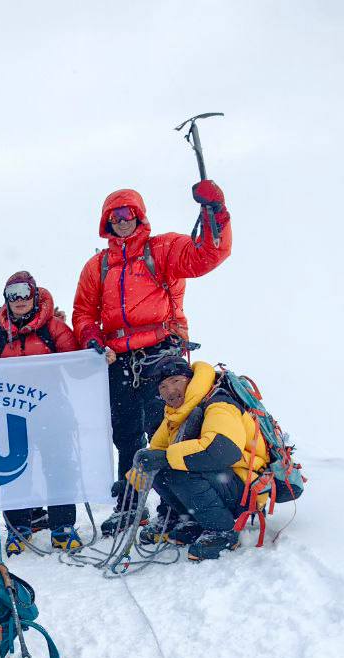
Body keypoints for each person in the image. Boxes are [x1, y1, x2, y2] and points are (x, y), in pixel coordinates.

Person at [72, 182, 232, 499]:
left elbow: (210, 253)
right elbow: (84, 313)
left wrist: (215, 211)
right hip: (118, 360)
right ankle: (131, 508)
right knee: (126, 435)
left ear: (139, 215)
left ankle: (174, 508)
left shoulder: (163, 250)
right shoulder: (97, 267)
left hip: (161, 353)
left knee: (169, 431)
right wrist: (90, 337)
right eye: (114, 214)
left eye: (127, 212)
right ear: (106, 222)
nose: (121, 219)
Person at [0, 271, 84, 555]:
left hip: (51, 409)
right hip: (12, 413)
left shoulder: (53, 327)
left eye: (24, 292)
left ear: (34, 294)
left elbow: (76, 362)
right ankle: (18, 527)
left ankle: (62, 527)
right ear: (6, 299)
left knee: (59, 466)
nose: (19, 299)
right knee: (15, 470)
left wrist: (96, 357)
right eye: (13, 294)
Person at [124, 356, 268, 561]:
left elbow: (223, 450)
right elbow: (155, 451)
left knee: (178, 470)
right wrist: (129, 484)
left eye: (176, 381)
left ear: (190, 380)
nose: (170, 391)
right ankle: (192, 521)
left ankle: (223, 531)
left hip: (247, 489)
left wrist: (164, 457)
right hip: (223, 485)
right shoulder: (177, 413)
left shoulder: (219, 404)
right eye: (163, 386)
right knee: (160, 469)